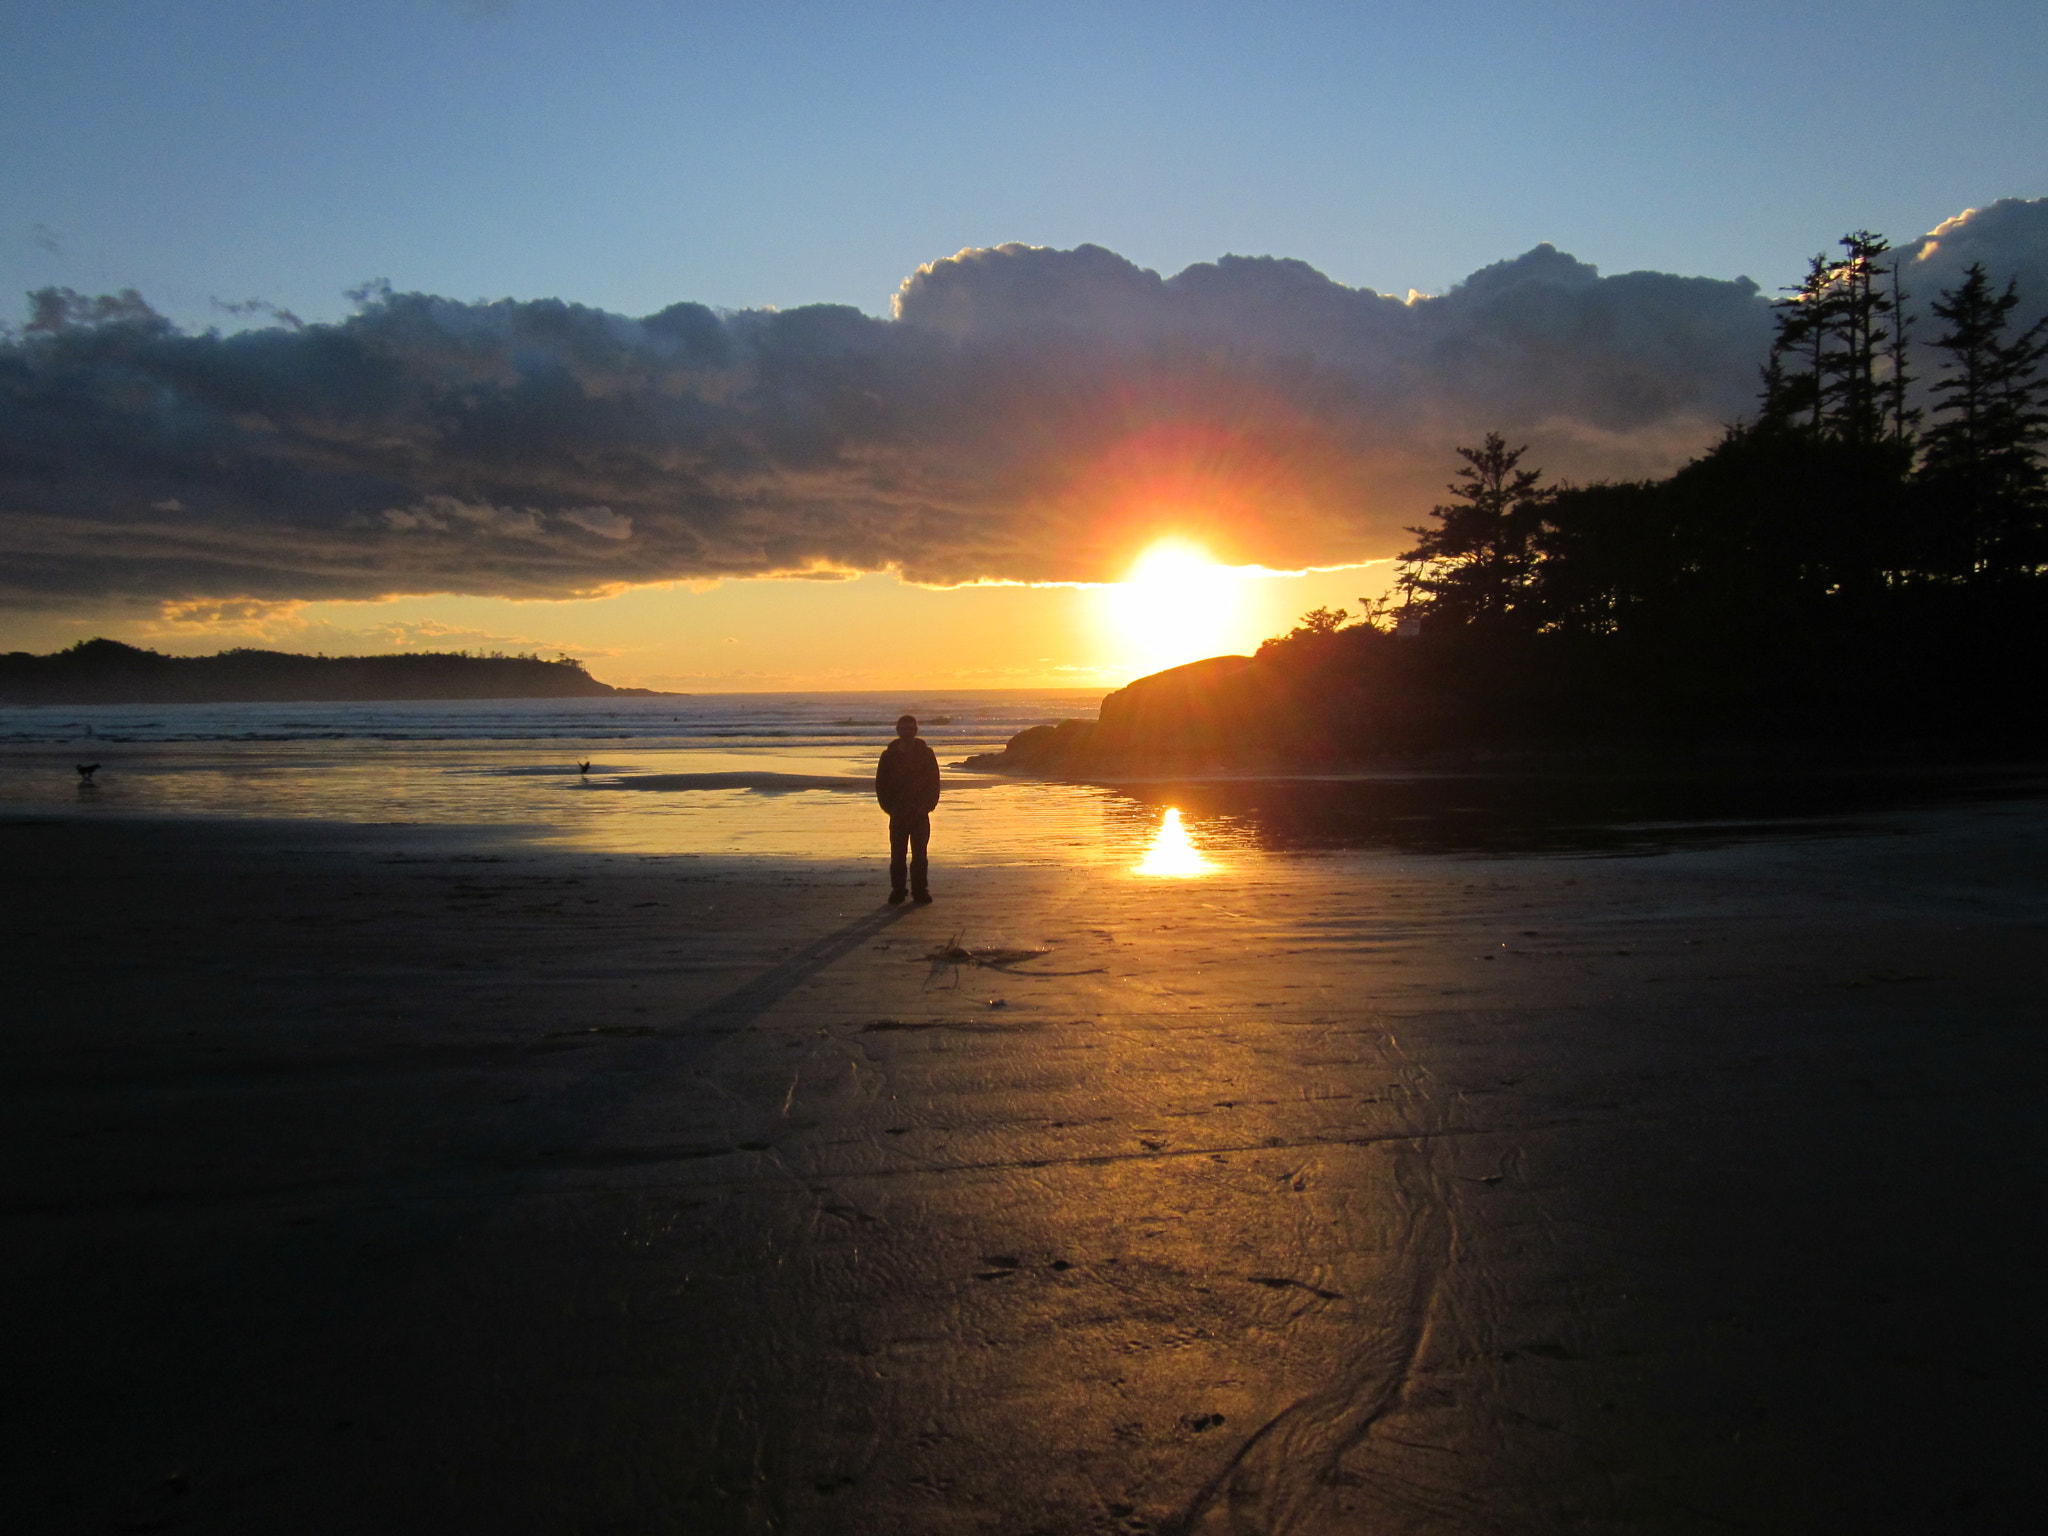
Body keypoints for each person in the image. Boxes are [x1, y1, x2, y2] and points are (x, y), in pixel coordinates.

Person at [875, 714, 941, 904]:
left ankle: (920, 890)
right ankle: (898, 890)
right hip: (898, 812)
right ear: (898, 731)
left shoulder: (926, 754)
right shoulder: (888, 755)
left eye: (911, 729)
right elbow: (881, 784)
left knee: (920, 855)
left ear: (916, 730)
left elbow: (934, 782)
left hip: (920, 812)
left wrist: (928, 805)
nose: (907, 732)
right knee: (897, 855)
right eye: (904, 729)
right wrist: (888, 807)